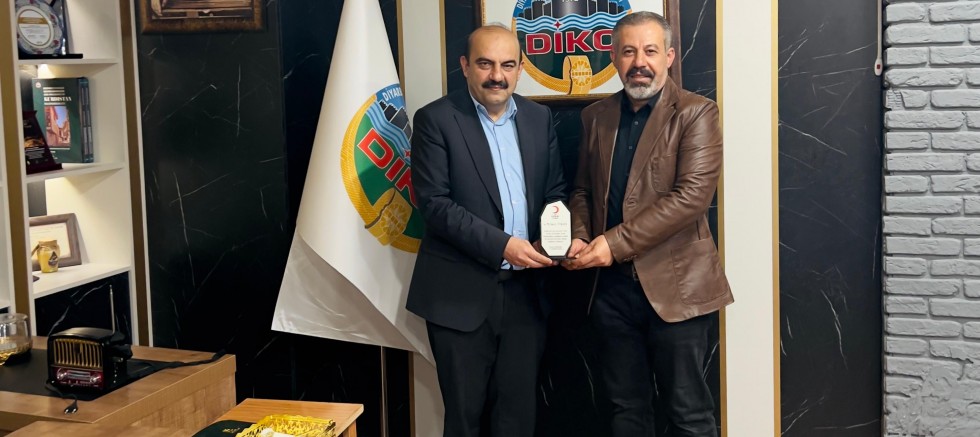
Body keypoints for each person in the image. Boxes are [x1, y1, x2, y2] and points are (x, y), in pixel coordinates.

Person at [562, 11, 734, 437]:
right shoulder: (595, 116)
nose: (639, 62)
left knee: (689, 413)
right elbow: (582, 191)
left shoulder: (697, 112)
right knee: (626, 411)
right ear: (614, 58)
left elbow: (692, 198)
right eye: (628, 51)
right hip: (610, 291)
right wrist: (580, 236)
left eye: (650, 51)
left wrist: (612, 243)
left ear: (669, 57)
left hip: (677, 289)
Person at [406, 24, 566, 437]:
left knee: (517, 418)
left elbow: (554, 192)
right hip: (459, 296)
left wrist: (556, 239)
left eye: (508, 65)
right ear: (464, 66)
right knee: (464, 420)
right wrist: (503, 246)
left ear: (520, 69)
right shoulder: (435, 119)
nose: (497, 75)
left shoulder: (539, 118)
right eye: (485, 64)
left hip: (527, 295)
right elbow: (435, 205)